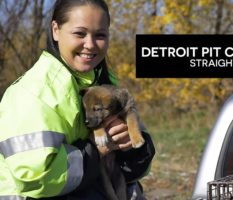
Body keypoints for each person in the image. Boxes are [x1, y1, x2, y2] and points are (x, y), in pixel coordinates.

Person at [0, 0, 155, 199]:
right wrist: (96, 149)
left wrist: (131, 150)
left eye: (100, 35)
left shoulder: (105, 83)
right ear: (55, 30)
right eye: (79, 33)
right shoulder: (34, 93)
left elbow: (138, 163)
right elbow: (35, 179)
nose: (90, 45)